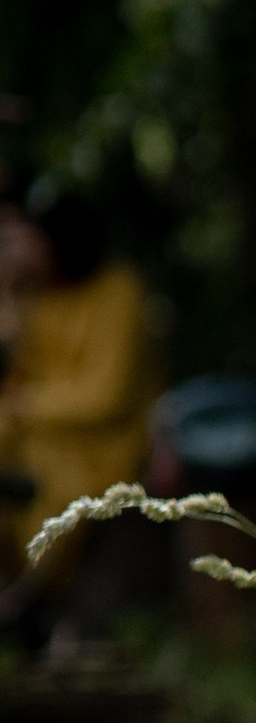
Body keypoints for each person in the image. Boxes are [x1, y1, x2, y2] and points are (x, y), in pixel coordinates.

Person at [0, 181, 158, 633]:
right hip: (33, 439)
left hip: (103, 447)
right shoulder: (29, 298)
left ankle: (30, 599)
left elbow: (105, 397)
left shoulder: (117, 291)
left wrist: (24, 407)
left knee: (56, 486)